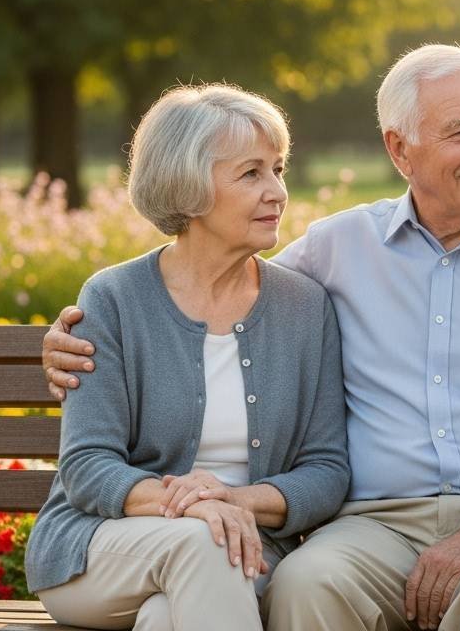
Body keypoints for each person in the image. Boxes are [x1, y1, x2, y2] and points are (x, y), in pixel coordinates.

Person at [43, 44, 460, 631]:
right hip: (377, 526)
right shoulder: (336, 251)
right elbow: (211, 284)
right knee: (308, 582)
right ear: (399, 148)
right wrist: (69, 338)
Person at [24, 84, 348, 631]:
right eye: (251, 174)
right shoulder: (114, 299)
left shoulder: (305, 306)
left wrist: (235, 500)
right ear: (189, 186)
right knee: (205, 543)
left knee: (166, 617)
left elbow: (326, 470)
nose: (277, 192)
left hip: (248, 551)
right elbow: (87, 467)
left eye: (277, 170)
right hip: (101, 551)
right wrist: (195, 506)